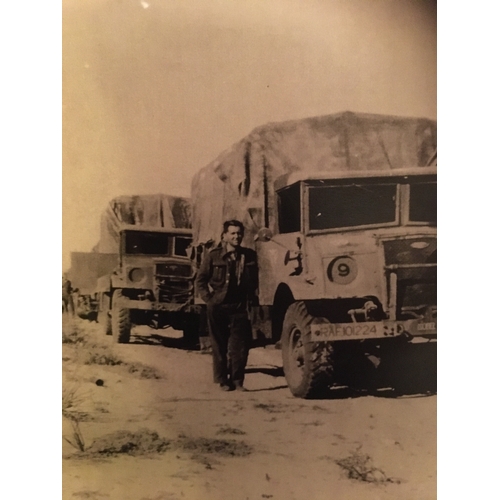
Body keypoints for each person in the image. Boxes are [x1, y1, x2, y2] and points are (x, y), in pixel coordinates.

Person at [196, 220, 258, 391]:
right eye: (232, 233)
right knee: (219, 345)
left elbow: (256, 281)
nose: (236, 236)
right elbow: (200, 280)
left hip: (240, 307)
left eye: (239, 233)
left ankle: (238, 381)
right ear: (224, 236)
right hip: (218, 306)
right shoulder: (213, 256)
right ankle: (223, 380)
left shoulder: (249, 256)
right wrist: (209, 299)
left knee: (240, 346)